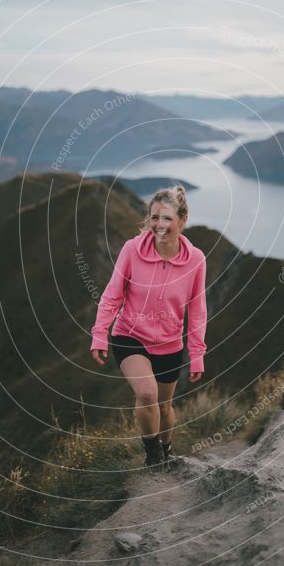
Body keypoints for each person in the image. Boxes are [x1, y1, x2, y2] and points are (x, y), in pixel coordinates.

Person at [90, 184, 207, 470]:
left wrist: (197, 353)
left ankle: (166, 451)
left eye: (167, 218)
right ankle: (153, 457)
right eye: (154, 217)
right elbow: (113, 293)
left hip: (170, 343)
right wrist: (99, 334)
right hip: (130, 336)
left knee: (164, 407)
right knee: (146, 394)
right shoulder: (132, 249)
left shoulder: (196, 260)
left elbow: (198, 310)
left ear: (182, 220)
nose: (160, 224)